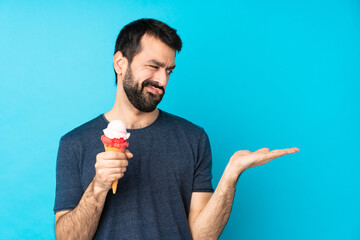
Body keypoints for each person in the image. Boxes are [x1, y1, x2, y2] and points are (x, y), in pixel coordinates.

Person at [54, 18, 299, 240]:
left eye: (168, 70)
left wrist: (231, 175)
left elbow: (202, 236)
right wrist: (98, 186)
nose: (162, 81)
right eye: (153, 66)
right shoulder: (74, 143)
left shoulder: (193, 138)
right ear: (120, 63)